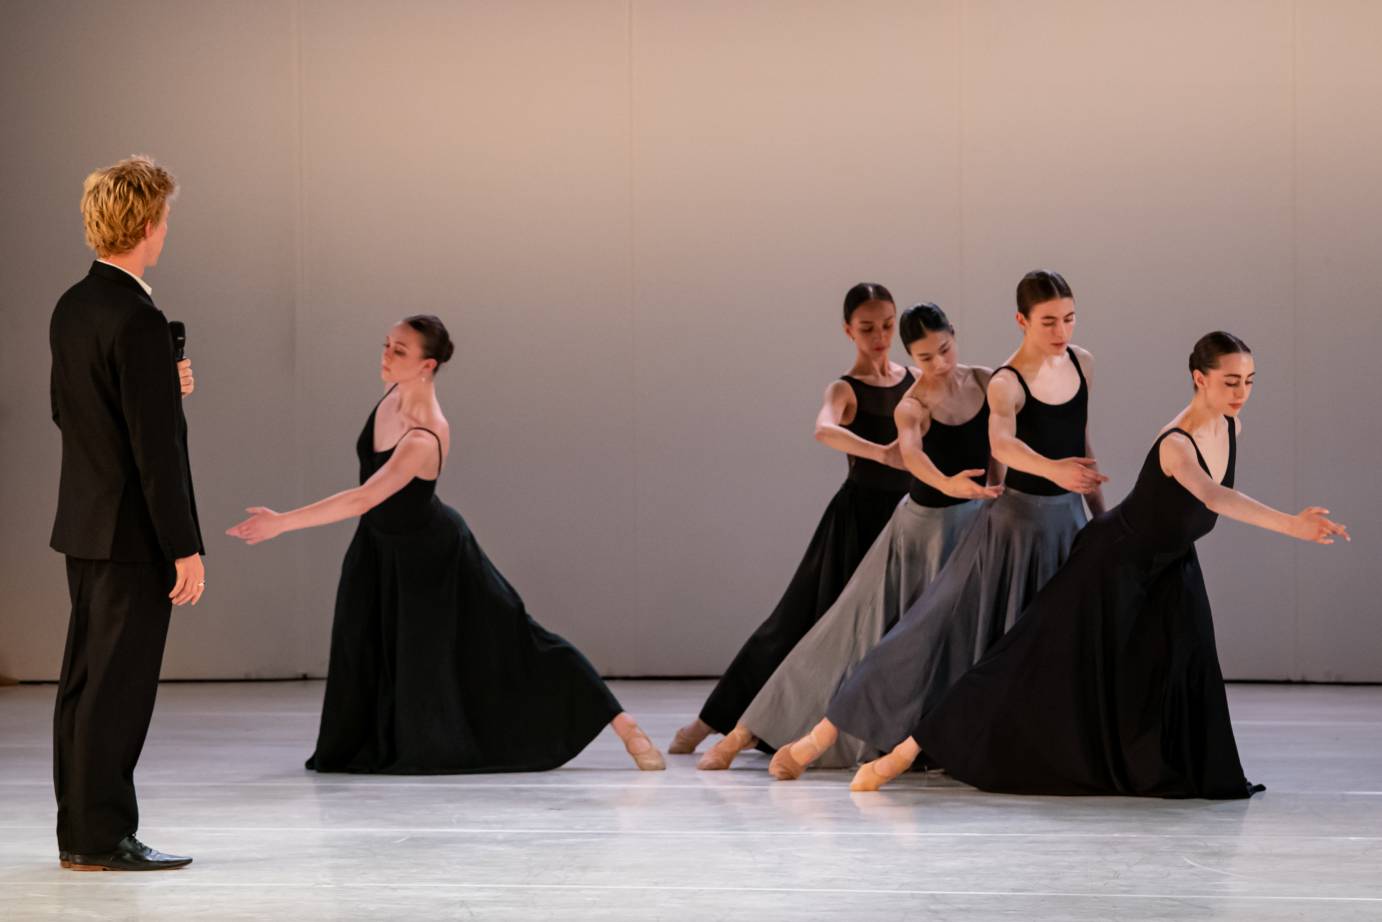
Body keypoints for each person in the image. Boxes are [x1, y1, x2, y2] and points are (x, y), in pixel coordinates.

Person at [853, 332, 1348, 795]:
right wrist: (1291, 524)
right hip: (1110, 562)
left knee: (1186, 664)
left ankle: (1171, 772)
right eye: (1231, 381)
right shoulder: (1177, 444)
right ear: (1200, 378)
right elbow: (1213, 495)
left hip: (1170, 567)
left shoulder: (1231, 424)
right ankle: (905, 751)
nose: (1242, 392)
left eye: (1249, 382)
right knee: (1024, 658)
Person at [227, 316, 664, 773]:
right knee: (362, 643)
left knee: (514, 638)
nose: (386, 355)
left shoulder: (425, 434)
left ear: (427, 365)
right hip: (378, 549)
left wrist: (281, 524)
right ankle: (366, 744)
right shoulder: (393, 395)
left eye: (400, 351)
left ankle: (622, 723)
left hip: (433, 558)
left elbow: (363, 498)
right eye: (386, 345)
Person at [770, 270, 1107, 780]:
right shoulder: (998, 382)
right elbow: (991, 449)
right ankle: (826, 735)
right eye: (1049, 321)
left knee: (1043, 645)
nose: (1061, 330)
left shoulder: (1070, 364)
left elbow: (1079, 443)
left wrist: (1098, 515)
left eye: (1069, 319)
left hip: (1056, 522)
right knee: (924, 632)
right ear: (1022, 321)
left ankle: (1026, 745)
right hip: (999, 525)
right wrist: (963, 486)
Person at [696, 304, 1001, 771]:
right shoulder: (912, 404)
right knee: (848, 635)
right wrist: (947, 484)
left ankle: (929, 737)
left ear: (955, 335)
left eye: (944, 349)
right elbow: (914, 458)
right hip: (920, 531)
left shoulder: (983, 381)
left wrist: (992, 497)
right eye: (925, 357)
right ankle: (746, 730)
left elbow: (1000, 446)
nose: (938, 364)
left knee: (945, 640)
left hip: (972, 526)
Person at [668, 284, 915, 758]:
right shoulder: (845, 388)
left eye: (887, 325)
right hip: (856, 521)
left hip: (907, 522)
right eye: (867, 328)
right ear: (848, 330)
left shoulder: (914, 379)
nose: (880, 336)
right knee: (795, 622)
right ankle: (708, 723)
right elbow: (824, 428)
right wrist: (882, 455)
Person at [49, 156, 203, 871]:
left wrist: (163, 390)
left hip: (84, 525)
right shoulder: (138, 317)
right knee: (118, 694)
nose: (166, 229)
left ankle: (81, 834)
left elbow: (73, 414)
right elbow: (156, 451)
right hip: (133, 535)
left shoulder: (75, 305)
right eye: (165, 218)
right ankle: (103, 838)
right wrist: (186, 547)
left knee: (85, 687)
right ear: (146, 224)